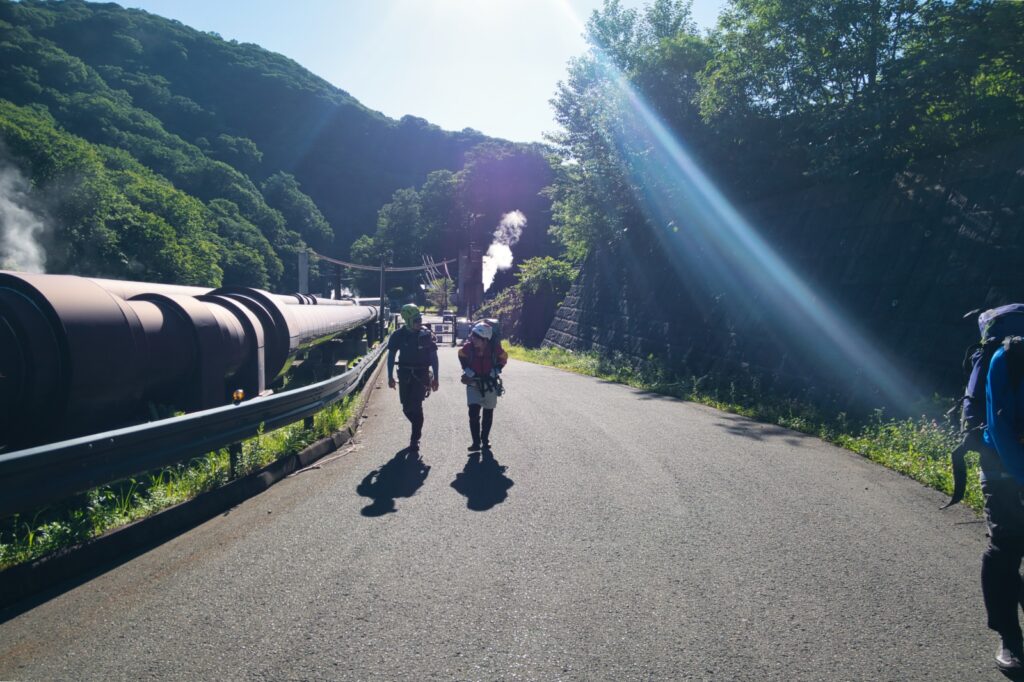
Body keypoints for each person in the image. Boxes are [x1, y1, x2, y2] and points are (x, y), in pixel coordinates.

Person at [981, 336, 1024, 674]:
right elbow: (999, 428)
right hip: (1001, 465)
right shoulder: (1007, 358)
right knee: (1007, 546)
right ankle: (1009, 636)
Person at [387, 304, 439, 451]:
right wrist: (390, 376)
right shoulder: (398, 335)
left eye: (420, 319)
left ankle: (415, 438)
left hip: (421, 375)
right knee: (406, 408)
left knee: (416, 405)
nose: (419, 323)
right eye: (416, 320)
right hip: (404, 374)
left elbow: (434, 358)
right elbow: (391, 356)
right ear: (408, 320)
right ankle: (417, 424)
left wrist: (436, 377)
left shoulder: (425, 335)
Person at [458, 321, 507, 451]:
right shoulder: (468, 348)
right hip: (473, 383)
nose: (472, 338)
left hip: (489, 384)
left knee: (488, 413)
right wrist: (466, 369)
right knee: (473, 413)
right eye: (473, 335)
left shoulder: (494, 349)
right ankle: (476, 442)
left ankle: (485, 440)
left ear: (485, 340)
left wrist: (496, 370)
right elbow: (461, 355)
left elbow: (504, 358)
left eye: (476, 337)